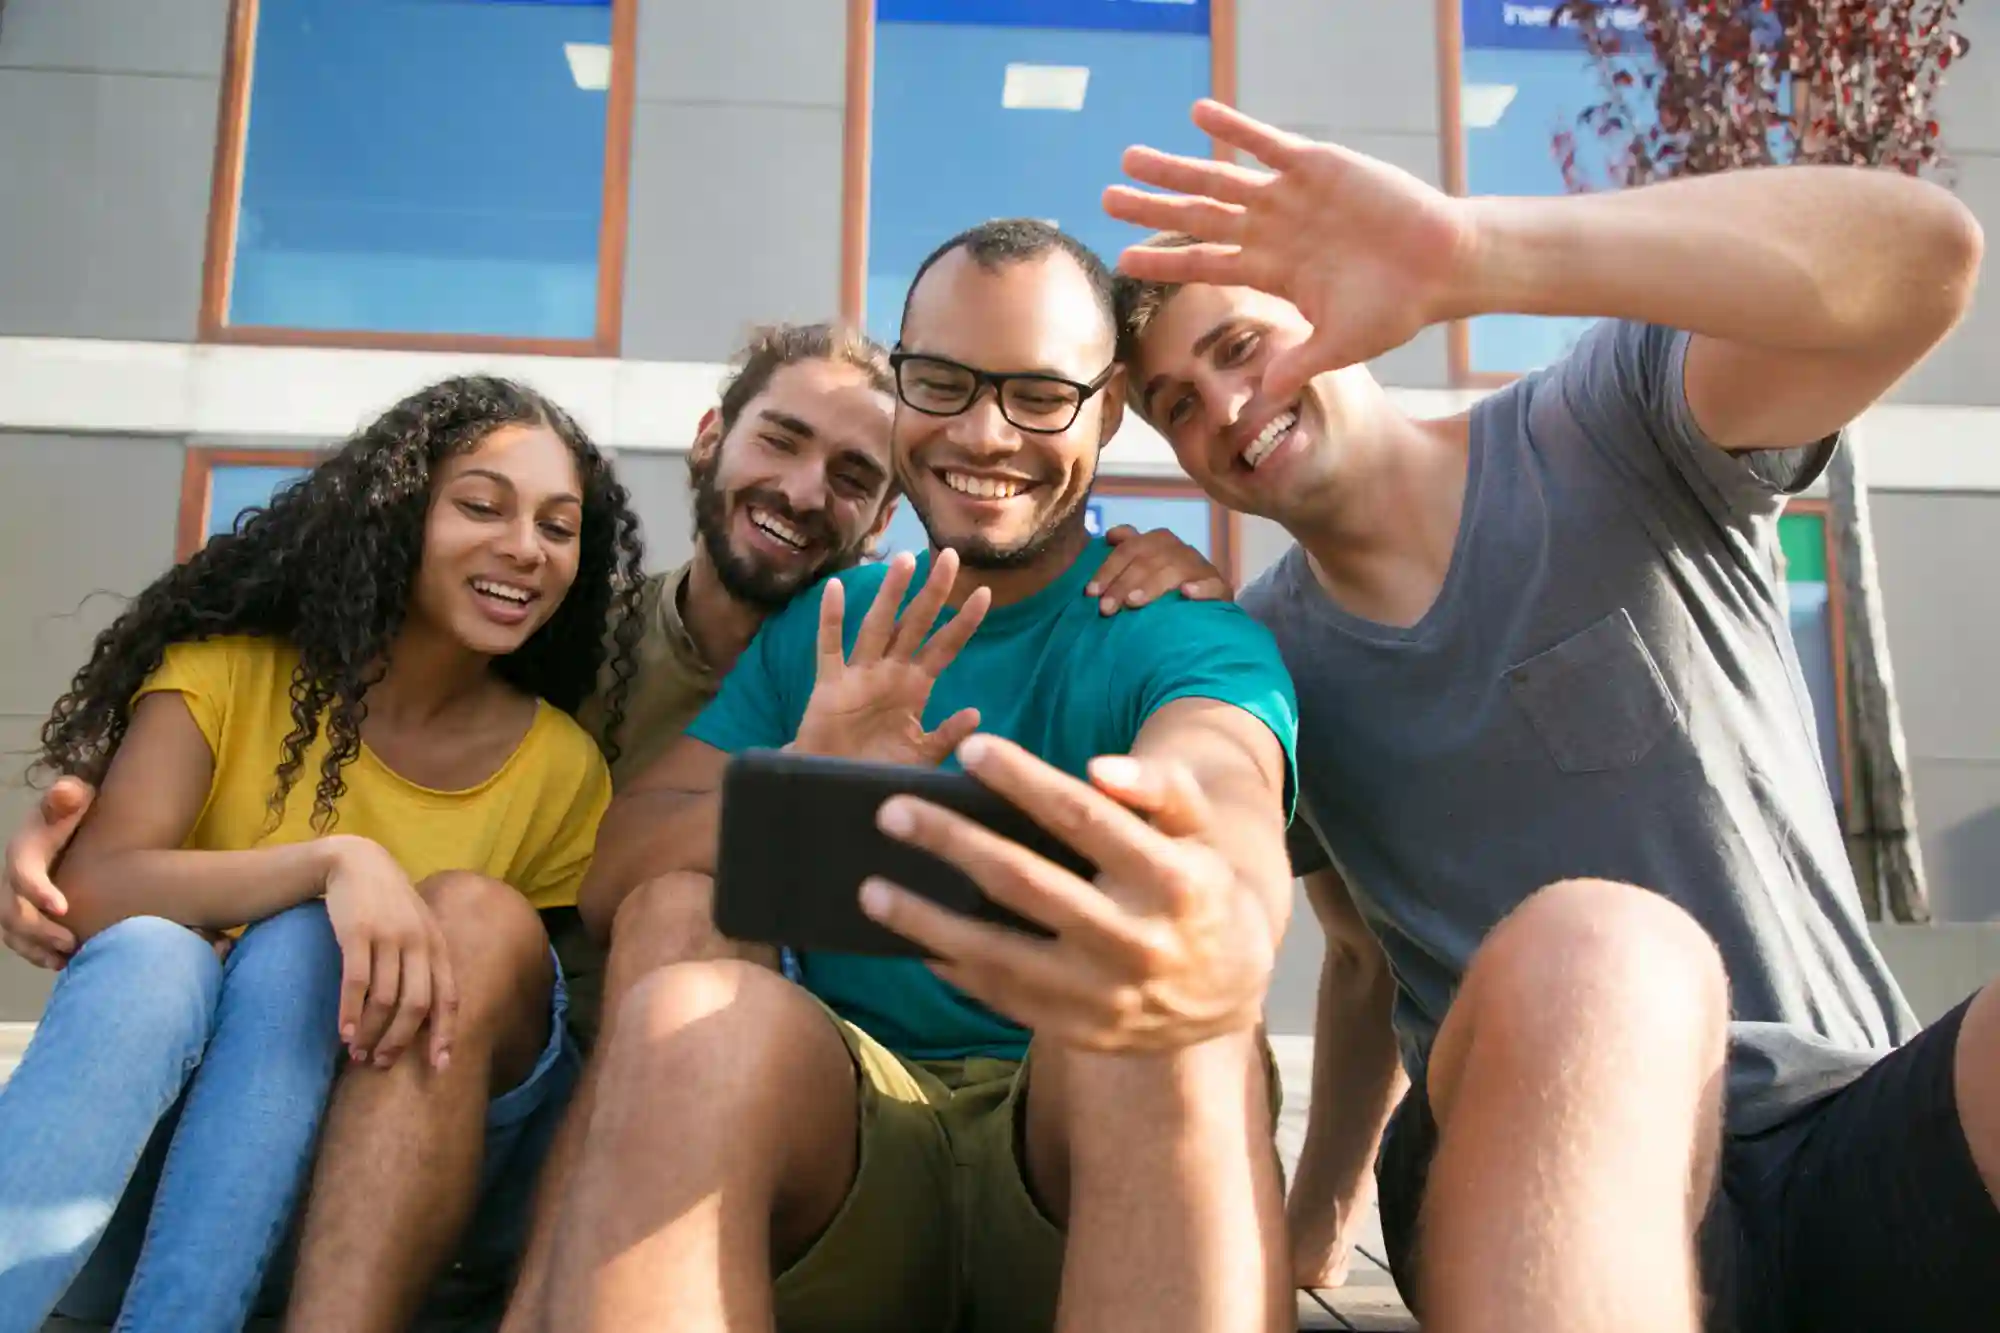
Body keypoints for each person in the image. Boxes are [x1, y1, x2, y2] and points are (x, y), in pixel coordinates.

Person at [0, 323, 1228, 1332]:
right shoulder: (561, 651)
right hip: (374, 1067)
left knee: (672, 914)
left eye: (852, 478)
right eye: (781, 441)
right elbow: (310, 722)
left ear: (884, 516)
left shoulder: (898, 659)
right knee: (380, 931)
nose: (804, 493)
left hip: (703, 1100)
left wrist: (1133, 550)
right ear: (711, 439)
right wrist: (81, 830)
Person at [1105, 99, 1998, 1332]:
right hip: (1529, 1161)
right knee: (1604, 949)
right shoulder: (1265, 663)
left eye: (1236, 347)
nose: (1220, 410)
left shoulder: (1607, 427)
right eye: (1175, 408)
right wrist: (1312, 1227)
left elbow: (1922, 262)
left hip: (1845, 1136)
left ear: (1328, 302)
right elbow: (1359, 957)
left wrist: (1470, 253)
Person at [532, 219, 1303, 1333]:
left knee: (1168, 1017)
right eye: (941, 381)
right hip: (849, 1139)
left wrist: (1219, 905)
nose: (984, 433)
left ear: (1108, 410)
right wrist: (800, 777)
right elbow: (617, 871)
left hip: (1071, 1152)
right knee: (683, 965)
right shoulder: (831, 627)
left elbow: (1220, 793)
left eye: (1039, 394)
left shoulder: (1173, 628)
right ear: (900, 387)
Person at [0, 375, 646, 1333]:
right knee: (151, 953)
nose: (525, 547)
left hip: (355, 1215)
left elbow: (537, 1044)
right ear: (395, 514)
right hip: (127, 1202)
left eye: (560, 527)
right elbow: (87, 890)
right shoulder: (221, 677)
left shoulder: (558, 767)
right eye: (481, 505)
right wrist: (333, 861)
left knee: (304, 953)